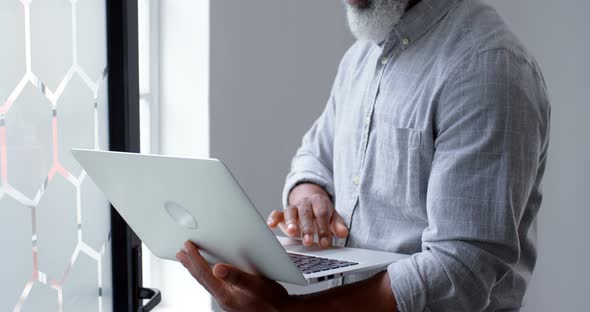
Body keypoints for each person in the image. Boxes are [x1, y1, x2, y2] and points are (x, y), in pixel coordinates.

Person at [176, 0, 551, 310]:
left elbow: (460, 270)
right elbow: (315, 154)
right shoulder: (361, 58)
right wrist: (308, 193)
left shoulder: (489, 66)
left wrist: (292, 311)